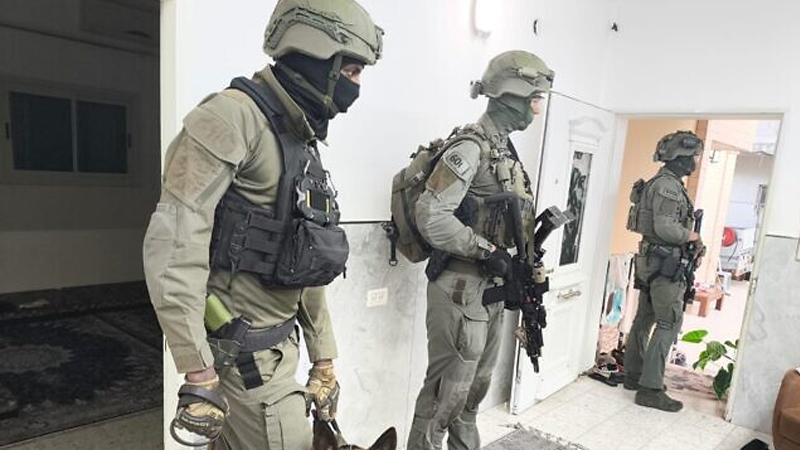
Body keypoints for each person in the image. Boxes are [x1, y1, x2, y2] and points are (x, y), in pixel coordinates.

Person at [142, 0, 383, 448]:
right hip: (241, 365)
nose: (356, 86)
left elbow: (304, 258)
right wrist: (198, 372)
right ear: (318, 56)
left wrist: (323, 358)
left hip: (279, 354)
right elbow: (173, 244)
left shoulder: (298, 138)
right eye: (351, 71)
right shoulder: (231, 118)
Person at [407, 50, 555, 450]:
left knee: (472, 395)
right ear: (512, 96)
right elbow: (431, 215)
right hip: (461, 289)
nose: (537, 109)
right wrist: (486, 250)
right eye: (534, 98)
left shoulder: (504, 151)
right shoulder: (470, 148)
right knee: (445, 396)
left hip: (490, 290)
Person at [623, 130, 705, 412]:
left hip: (652, 261)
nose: (696, 161)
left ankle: (635, 375)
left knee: (644, 317)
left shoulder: (660, 182)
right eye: (695, 156)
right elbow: (666, 228)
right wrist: (692, 236)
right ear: (681, 157)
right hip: (665, 264)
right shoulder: (668, 186)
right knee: (668, 322)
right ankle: (650, 389)